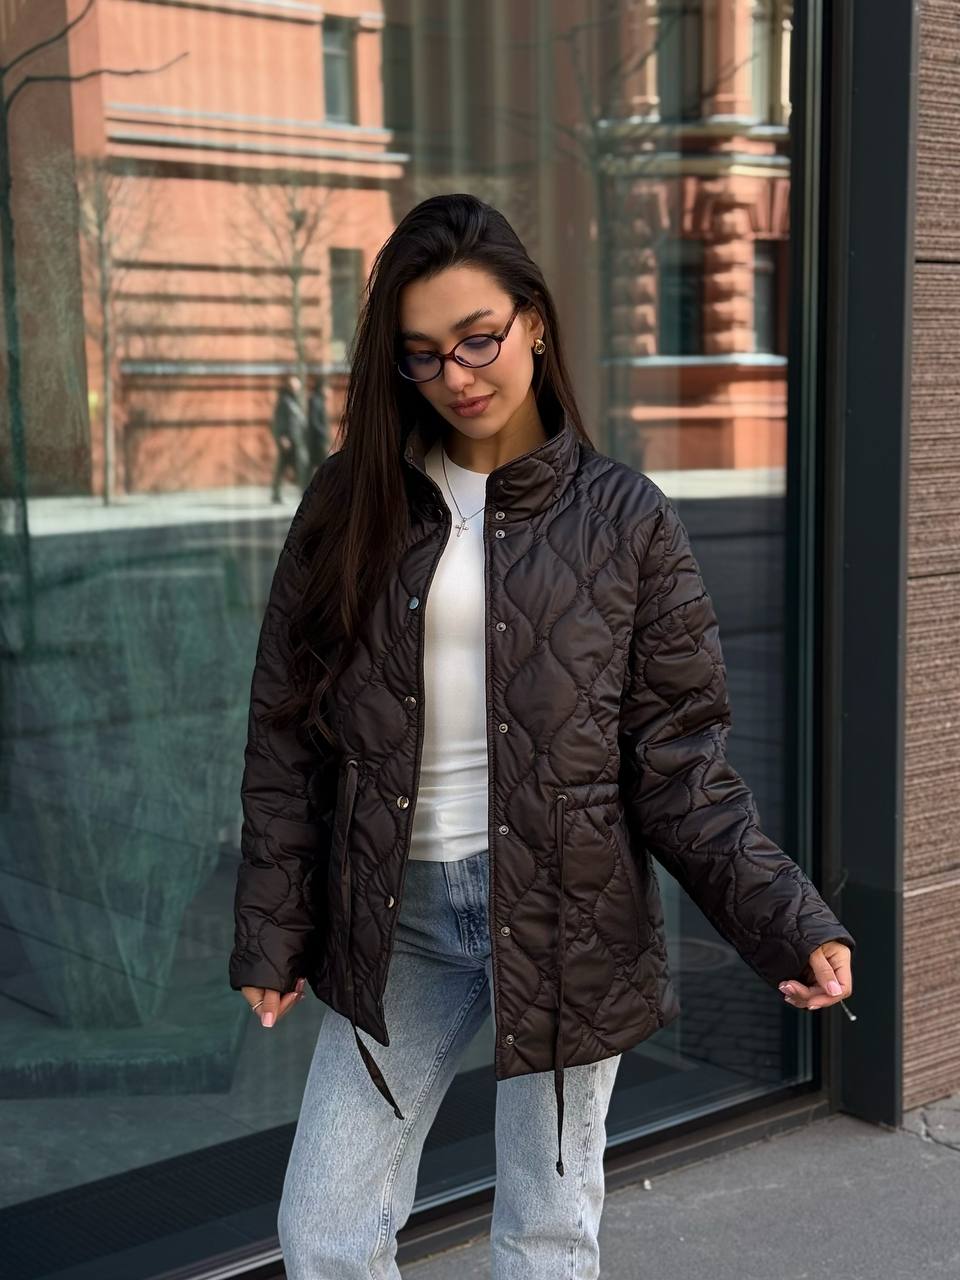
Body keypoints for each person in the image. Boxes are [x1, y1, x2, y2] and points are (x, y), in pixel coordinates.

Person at [228, 193, 857, 1279]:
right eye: (424, 354)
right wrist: (273, 927)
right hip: (403, 920)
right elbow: (289, 732)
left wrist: (785, 918)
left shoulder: (627, 519)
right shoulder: (353, 501)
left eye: (479, 337)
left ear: (535, 322)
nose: (459, 372)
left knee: (545, 1233)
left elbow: (681, 764)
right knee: (323, 1229)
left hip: (570, 916)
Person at [269, 373, 311, 502]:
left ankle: (302, 492)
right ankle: (277, 493)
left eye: (297, 385)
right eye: (293, 385)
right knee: (288, 467)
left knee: (299, 465)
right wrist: (282, 438)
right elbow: (278, 421)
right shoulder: (284, 401)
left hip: (297, 440)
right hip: (288, 441)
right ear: (289, 387)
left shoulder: (295, 401)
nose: (296, 388)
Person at [306, 373, 330, 467]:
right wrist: (324, 434)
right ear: (322, 388)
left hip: (318, 439)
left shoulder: (319, 400)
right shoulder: (316, 401)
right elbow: (315, 421)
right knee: (323, 465)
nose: (329, 391)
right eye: (327, 388)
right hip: (317, 440)